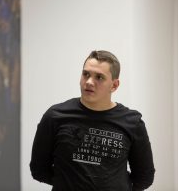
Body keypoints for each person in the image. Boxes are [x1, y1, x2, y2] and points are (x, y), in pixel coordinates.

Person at [30, 50, 155, 191]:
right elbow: (38, 169)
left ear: (114, 85)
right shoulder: (55, 116)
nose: (89, 82)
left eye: (99, 77)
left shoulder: (132, 122)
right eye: (86, 74)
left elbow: (145, 176)